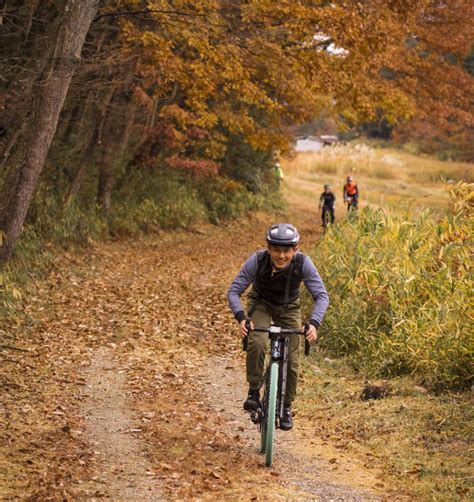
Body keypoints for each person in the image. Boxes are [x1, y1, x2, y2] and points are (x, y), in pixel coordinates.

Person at [227, 223, 329, 431]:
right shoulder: (257, 260)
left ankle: (286, 406)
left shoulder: (303, 263)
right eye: (276, 250)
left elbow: (321, 296)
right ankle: (254, 390)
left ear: (295, 250)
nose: (281, 256)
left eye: (286, 251)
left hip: (288, 307)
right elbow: (234, 291)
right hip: (261, 303)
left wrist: (314, 323)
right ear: (269, 249)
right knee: (257, 341)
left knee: (291, 358)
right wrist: (241, 318)